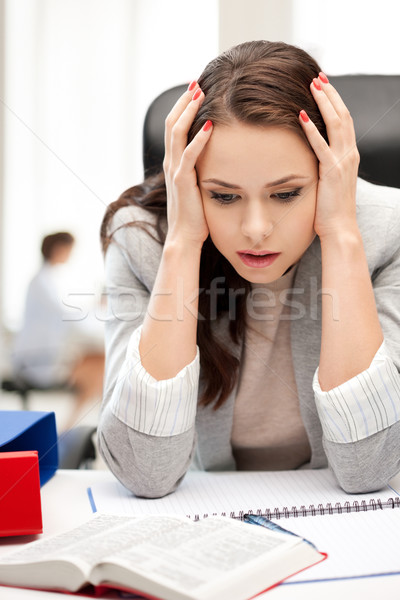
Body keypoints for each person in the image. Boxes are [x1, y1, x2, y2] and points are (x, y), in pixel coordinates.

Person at [98, 41, 400, 498]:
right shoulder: (142, 240)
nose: (257, 229)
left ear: (329, 172)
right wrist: (182, 244)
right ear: (191, 182)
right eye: (223, 196)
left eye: (286, 194)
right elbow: (145, 473)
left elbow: (369, 469)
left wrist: (340, 233)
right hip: (202, 519)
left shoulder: (387, 231)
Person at [12, 232, 104, 429]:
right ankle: (68, 429)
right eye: (69, 249)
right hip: (37, 360)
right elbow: (68, 316)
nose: (70, 255)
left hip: (47, 356)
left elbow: (68, 315)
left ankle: (69, 428)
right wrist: (96, 309)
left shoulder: (49, 279)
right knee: (100, 366)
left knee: (100, 367)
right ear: (58, 249)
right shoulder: (42, 281)